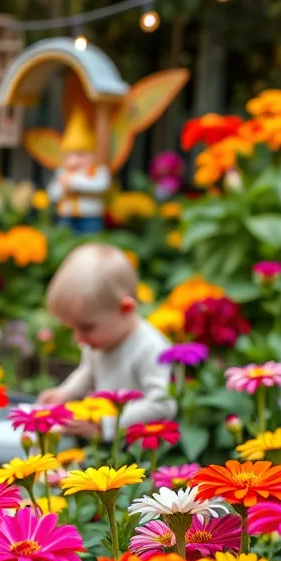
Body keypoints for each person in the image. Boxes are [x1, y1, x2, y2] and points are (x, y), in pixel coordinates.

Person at [38, 243, 176, 440]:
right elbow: (88, 371)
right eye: (73, 328)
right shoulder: (100, 340)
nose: (78, 338)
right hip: (105, 438)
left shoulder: (150, 348)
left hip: (140, 447)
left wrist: (106, 425)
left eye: (86, 328)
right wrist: (64, 393)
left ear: (125, 309)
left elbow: (162, 405)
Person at [46, 108, 111, 235]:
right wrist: (61, 188)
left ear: (93, 155)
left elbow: (102, 185)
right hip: (66, 215)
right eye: (70, 155)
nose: (75, 161)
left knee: (89, 241)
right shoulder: (63, 173)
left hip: (90, 214)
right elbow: (52, 194)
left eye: (81, 155)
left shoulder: (96, 170)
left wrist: (74, 182)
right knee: (65, 239)